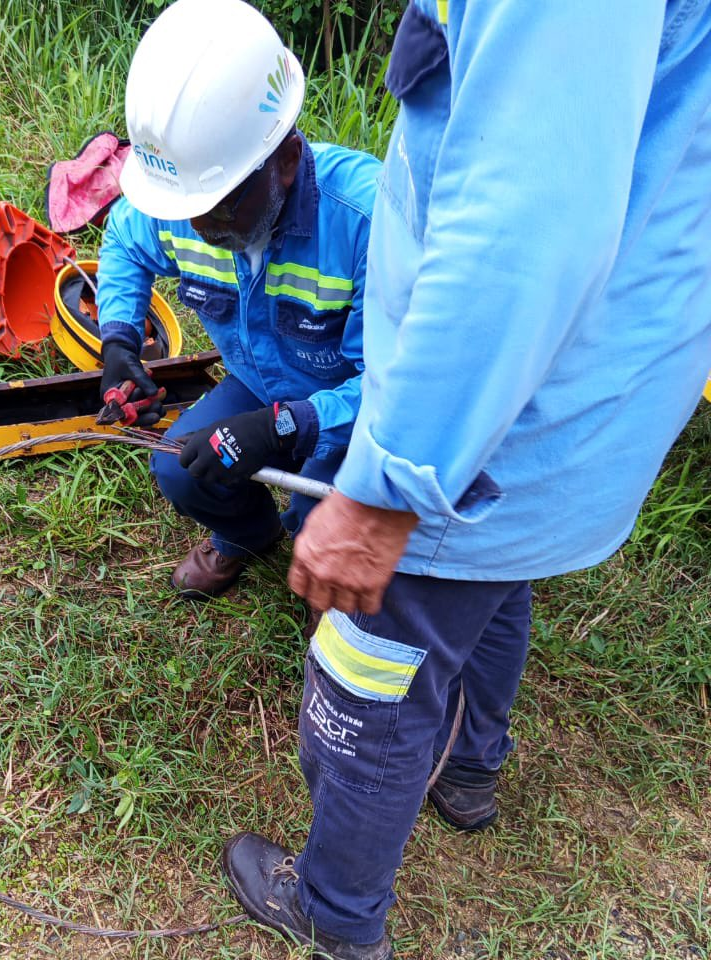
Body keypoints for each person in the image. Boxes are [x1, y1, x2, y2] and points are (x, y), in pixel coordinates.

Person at [219, 2, 711, 959]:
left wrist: (386, 487)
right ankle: (469, 770)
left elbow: (525, 233)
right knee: (493, 582)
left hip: (492, 417)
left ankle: (336, 909)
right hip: (565, 396)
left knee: (366, 676)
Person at [95, 0, 380, 600]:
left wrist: (282, 429)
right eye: (186, 209)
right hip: (260, 385)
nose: (200, 227)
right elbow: (124, 238)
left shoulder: (367, 223)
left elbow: (398, 389)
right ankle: (248, 536)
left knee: (330, 525)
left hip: (360, 423)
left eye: (223, 204)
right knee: (179, 466)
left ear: (286, 161)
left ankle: (324, 566)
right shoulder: (183, 209)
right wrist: (119, 342)